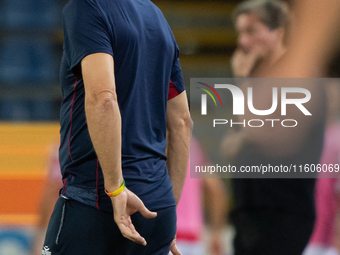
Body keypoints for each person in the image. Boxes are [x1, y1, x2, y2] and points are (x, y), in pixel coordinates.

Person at [43, 0, 191, 254]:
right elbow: (181, 122)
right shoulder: (156, 17)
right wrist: (166, 212)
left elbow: (103, 98)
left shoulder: (85, 7)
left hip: (98, 201)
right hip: (157, 210)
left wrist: (116, 189)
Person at [221, 1, 326, 254]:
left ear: (278, 32)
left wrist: (243, 82)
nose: (243, 42)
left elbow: (258, 132)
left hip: (282, 215)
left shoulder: (300, 78)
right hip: (248, 214)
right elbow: (230, 146)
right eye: (240, 33)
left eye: (251, 31)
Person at [176, 137, 227, 255]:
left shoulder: (153, 141)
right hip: (193, 241)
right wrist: (216, 234)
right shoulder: (192, 146)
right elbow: (216, 189)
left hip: (163, 236)